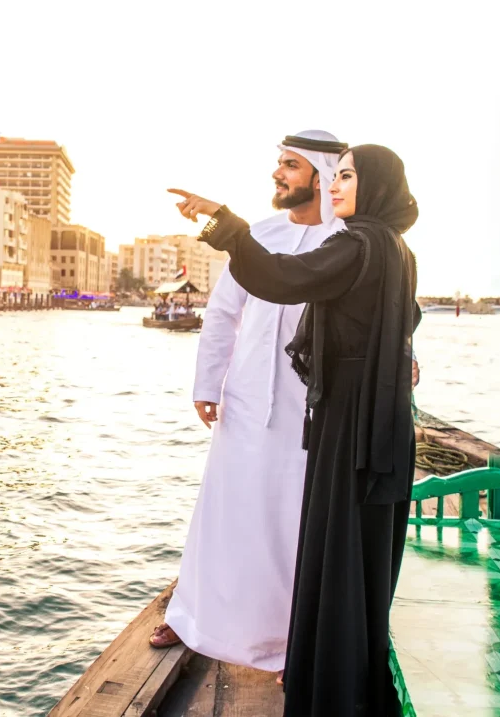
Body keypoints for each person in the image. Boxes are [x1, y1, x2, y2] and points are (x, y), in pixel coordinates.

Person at [170, 144, 420, 716]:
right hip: (374, 417)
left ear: (370, 186)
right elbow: (401, 322)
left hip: (346, 418)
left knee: (330, 544)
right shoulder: (394, 247)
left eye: (348, 176)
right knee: (354, 551)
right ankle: (336, 663)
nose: (336, 186)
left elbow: (282, 279)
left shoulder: (356, 242)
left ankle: (322, 677)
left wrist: (222, 224)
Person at [151, 131, 348, 677]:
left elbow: (380, 311)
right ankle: (192, 617)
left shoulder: (348, 239)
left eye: (290, 165)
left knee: (293, 522)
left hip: (309, 408)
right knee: (222, 511)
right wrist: (208, 382)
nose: (277, 174)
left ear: (322, 174)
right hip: (243, 400)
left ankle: (292, 641)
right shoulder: (258, 234)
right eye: (278, 164)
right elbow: (223, 314)